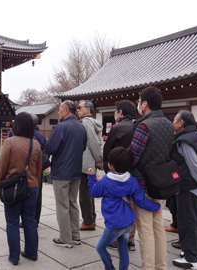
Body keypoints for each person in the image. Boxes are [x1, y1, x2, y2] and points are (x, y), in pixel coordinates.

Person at [88, 147, 161, 270]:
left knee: (100, 247)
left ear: (111, 166)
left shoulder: (106, 180)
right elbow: (140, 200)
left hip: (115, 223)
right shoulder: (131, 180)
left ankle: (110, 268)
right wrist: (156, 206)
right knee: (123, 250)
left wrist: (91, 177)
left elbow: (93, 192)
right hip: (128, 221)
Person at [130, 86, 174, 270]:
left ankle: (148, 267)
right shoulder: (168, 124)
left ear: (145, 103)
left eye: (139, 100)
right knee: (158, 227)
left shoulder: (144, 126)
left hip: (142, 184)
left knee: (145, 229)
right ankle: (160, 266)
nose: (138, 103)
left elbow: (133, 156)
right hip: (160, 182)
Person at [0, 112, 42, 265]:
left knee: (12, 221)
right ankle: (32, 252)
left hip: (13, 187)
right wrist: (37, 188)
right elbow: (39, 169)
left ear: (17, 125)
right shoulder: (36, 144)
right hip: (32, 187)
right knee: (30, 220)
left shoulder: (10, 142)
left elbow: (1, 167)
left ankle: (14, 256)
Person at [170, 110, 197, 269]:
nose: (173, 123)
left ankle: (192, 258)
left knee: (188, 221)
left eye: (174, 120)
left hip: (188, 186)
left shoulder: (184, 140)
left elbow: (194, 166)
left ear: (181, 123)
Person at [45, 100, 87, 248]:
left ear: (67, 110)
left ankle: (65, 238)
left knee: (62, 205)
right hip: (76, 171)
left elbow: (50, 148)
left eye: (60, 109)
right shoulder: (81, 127)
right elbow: (83, 147)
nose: (58, 112)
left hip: (62, 172)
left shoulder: (61, 127)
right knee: (73, 204)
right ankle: (75, 236)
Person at [102, 100, 137, 250]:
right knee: (131, 206)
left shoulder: (118, 127)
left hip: (118, 170)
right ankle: (130, 239)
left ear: (120, 112)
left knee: (118, 206)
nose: (115, 114)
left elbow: (108, 149)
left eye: (116, 111)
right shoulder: (139, 126)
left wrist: (106, 166)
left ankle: (117, 239)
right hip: (134, 171)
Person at [77, 100, 103, 231]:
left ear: (88, 109)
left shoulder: (86, 123)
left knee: (84, 194)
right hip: (90, 163)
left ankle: (88, 221)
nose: (78, 110)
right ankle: (91, 217)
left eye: (80, 107)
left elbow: (93, 143)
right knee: (88, 192)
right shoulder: (92, 122)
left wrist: (99, 159)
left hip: (85, 163)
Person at [31, 114, 47, 226]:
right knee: (38, 193)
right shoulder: (41, 135)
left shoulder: (30, 134)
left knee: (31, 193)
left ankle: (31, 219)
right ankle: (36, 219)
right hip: (40, 167)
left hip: (32, 168)